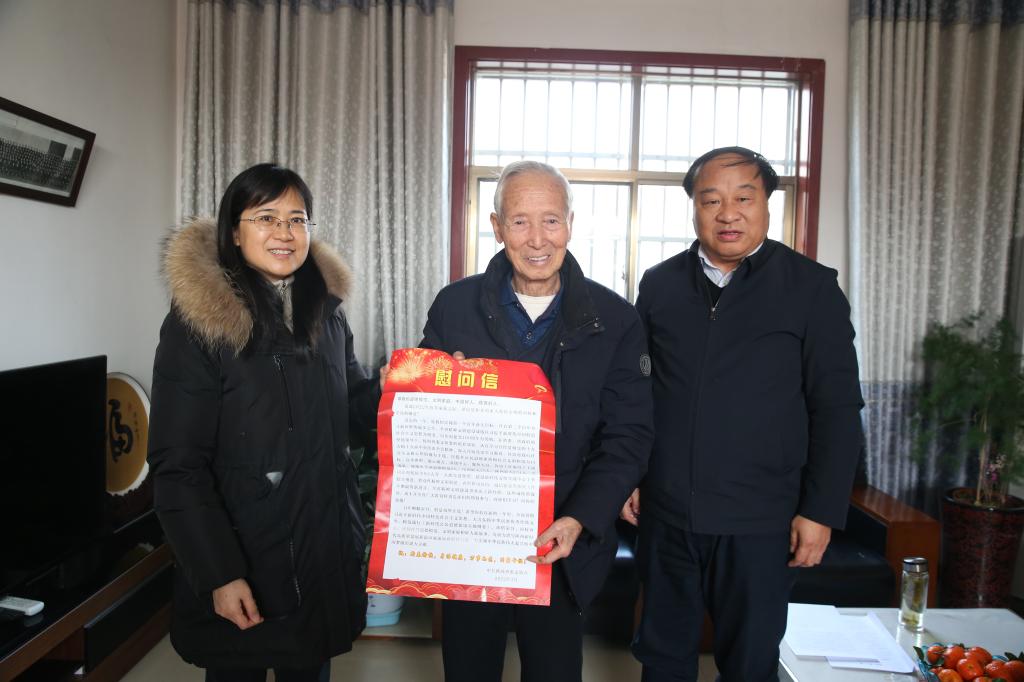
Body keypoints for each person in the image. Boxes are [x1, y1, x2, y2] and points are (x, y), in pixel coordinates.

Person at [625, 147, 864, 681]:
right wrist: (630, 476)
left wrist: (821, 511)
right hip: (667, 514)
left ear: (767, 205)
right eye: (711, 200)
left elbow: (837, 408)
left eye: (743, 198)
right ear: (694, 207)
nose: (727, 213)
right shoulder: (659, 284)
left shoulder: (811, 288)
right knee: (661, 658)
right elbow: (635, 392)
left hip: (761, 519)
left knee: (750, 664)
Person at [421, 160, 653, 682]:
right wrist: (431, 384)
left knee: (554, 670)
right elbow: (419, 415)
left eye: (550, 220)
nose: (537, 239)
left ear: (570, 223)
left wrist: (580, 518)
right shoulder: (455, 306)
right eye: (519, 221)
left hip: (563, 537)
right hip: (471, 535)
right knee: (468, 669)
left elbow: (629, 434)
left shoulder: (616, 319)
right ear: (497, 226)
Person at [148, 163, 380, 682]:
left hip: (318, 552)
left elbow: (352, 412)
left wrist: (399, 387)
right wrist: (219, 574)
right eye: (266, 217)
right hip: (244, 560)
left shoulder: (325, 313)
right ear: (235, 231)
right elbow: (177, 465)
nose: (285, 232)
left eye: (297, 219)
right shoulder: (201, 322)